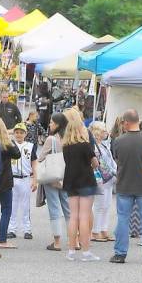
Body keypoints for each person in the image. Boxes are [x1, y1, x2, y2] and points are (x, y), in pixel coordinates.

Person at [109, 109, 142, 264]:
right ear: (138, 120)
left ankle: (120, 253)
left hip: (124, 184)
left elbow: (116, 159)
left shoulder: (118, 141)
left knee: (123, 219)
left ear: (126, 122)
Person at [62, 107, 100, 262]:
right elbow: (95, 163)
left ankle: (71, 250)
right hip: (85, 181)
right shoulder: (85, 145)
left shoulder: (66, 147)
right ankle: (85, 251)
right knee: (84, 216)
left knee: (73, 217)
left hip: (70, 181)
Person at [38, 113, 70, 251]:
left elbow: (41, 157)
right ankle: (74, 240)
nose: (49, 124)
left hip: (52, 177)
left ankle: (57, 241)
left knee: (54, 209)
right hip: (66, 177)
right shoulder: (69, 138)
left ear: (57, 124)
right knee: (68, 209)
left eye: (51, 122)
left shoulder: (51, 139)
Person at [0, 118, 21, 249]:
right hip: (6, 181)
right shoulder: (7, 144)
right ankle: (3, 240)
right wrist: (10, 139)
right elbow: (17, 154)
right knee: (6, 210)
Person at [7, 122, 38, 241]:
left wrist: (35, 179)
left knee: (25, 205)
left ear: (25, 134)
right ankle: (12, 229)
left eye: (21, 132)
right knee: (12, 204)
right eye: (17, 132)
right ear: (13, 133)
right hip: (13, 178)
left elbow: (34, 162)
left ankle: (27, 229)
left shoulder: (30, 146)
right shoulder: (10, 145)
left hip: (25, 178)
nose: (19, 135)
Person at [89, 121, 117, 243]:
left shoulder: (104, 145)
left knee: (106, 205)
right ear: (96, 132)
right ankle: (95, 231)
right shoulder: (94, 146)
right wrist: (113, 171)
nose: (106, 132)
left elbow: (110, 160)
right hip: (101, 178)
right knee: (99, 205)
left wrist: (115, 170)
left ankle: (103, 229)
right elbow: (100, 164)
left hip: (109, 179)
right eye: (103, 130)